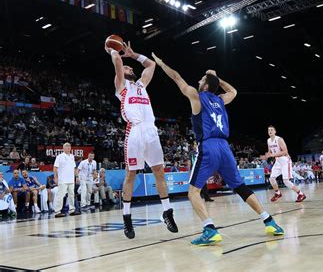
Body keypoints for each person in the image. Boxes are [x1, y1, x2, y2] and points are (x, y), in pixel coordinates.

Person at [153, 53, 284, 246]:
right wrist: (216, 78)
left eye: (201, 79)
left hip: (209, 146)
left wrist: (162, 63)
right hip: (225, 147)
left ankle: (209, 229)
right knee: (240, 187)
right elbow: (234, 91)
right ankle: (269, 221)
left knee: (192, 192)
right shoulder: (221, 100)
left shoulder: (197, 96)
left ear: (205, 86)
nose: (198, 80)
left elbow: (176, 78)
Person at [105, 41, 177, 239]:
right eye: (128, 66)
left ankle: (167, 212)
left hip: (151, 132)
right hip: (135, 132)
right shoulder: (121, 87)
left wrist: (134, 54)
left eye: (131, 67)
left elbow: (151, 65)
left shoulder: (141, 85)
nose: (130, 67)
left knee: (159, 172)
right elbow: (118, 61)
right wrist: (112, 49)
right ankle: (127, 218)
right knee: (131, 175)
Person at [261, 125, 306, 203]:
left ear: (275, 131)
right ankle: (277, 193)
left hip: (285, 161)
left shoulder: (279, 139)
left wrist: (272, 155)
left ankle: (301, 194)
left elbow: (285, 152)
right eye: (269, 130)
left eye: (272, 130)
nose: (270, 131)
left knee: (286, 181)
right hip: (278, 161)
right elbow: (270, 152)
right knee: (271, 178)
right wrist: (265, 156)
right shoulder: (268, 140)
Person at [53, 143, 79, 218]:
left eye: (69, 146)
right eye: (66, 146)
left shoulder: (72, 156)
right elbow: (55, 167)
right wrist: (55, 178)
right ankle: (57, 211)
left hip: (71, 179)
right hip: (63, 179)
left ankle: (72, 210)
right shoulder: (60, 156)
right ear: (63, 148)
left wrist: (76, 176)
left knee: (71, 195)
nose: (68, 147)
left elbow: (74, 168)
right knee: (60, 195)